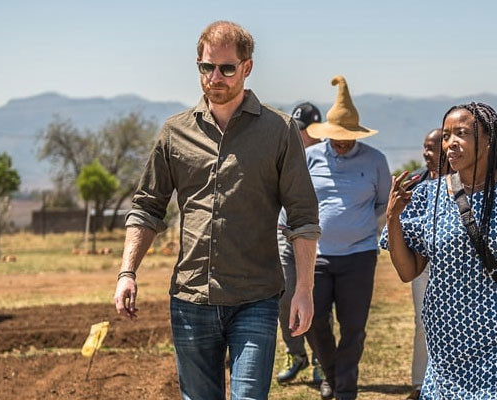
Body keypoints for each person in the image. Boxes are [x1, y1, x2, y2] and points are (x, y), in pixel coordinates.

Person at [112, 21, 320, 400]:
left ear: (247, 67)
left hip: (255, 298)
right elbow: (146, 207)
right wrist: (128, 272)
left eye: (226, 68)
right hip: (190, 299)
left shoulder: (280, 130)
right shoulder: (174, 133)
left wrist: (303, 290)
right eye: (207, 67)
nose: (215, 77)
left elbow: (303, 216)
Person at [383, 102, 497, 399]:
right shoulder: (429, 195)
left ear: (488, 140)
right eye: (446, 135)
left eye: (461, 133)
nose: (450, 143)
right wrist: (392, 218)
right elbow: (408, 271)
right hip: (445, 349)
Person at [303, 75, 392, 400]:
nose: (342, 143)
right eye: (337, 138)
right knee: (314, 322)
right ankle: (331, 373)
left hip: (359, 256)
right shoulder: (310, 158)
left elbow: (384, 203)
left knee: (353, 327)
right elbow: (296, 202)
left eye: (347, 138)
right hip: (317, 255)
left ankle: (345, 389)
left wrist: (361, 226)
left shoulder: (375, 161)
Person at [275, 102, 324, 385]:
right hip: (284, 236)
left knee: (315, 300)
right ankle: (296, 354)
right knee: (284, 298)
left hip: (315, 240)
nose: (301, 134)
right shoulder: (282, 152)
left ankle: (320, 359)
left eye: (304, 129)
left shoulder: (326, 156)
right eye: (297, 129)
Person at [403, 128, 442, 400]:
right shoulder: (416, 182)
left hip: (454, 265)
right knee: (423, 322)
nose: (427, 153)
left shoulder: (463, 182)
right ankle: (420, 384)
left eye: (432, 148)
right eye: (425, 147)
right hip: (422, 265)